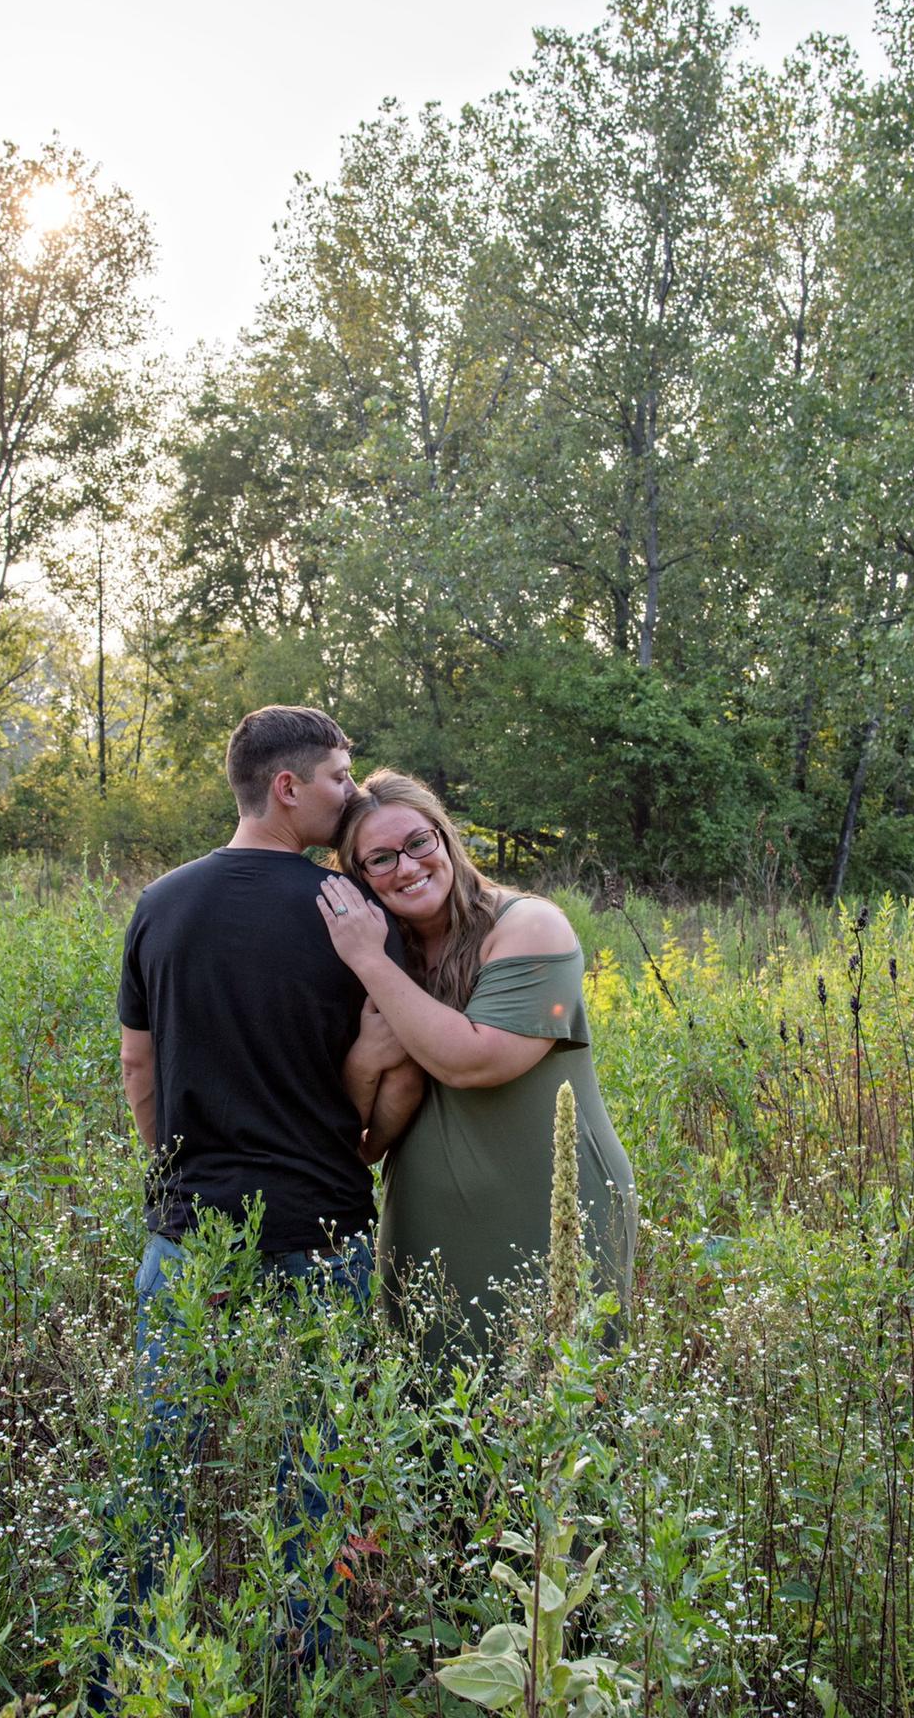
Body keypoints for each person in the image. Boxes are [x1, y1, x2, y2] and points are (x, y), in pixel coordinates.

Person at [114, 706, 420, 1661]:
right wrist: (361, 1147)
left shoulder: (162, 902)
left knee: (159, 1460)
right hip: (322, 1225)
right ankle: (304, 1663)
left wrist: (177, 1172)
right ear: (287, 788)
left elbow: (138, 1065)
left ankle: (132, 1662)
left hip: (188, 1230)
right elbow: (397, 1066)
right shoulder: (353, 912)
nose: (352, 792)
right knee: (311, 1468)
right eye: (339, 776)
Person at [317, 769, 637, 1360]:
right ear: (357, 877)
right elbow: (353, 1124)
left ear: (445, 836)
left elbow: (475, 1061)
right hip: (424, 1221)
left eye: (419, 842)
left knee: (560, 1393)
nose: (407, 867)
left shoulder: (528, 926)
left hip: (550, 1208)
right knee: (426, 1396)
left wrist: (369, 963)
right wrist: (364, 1053)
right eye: (380, 859)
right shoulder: (385, 947)